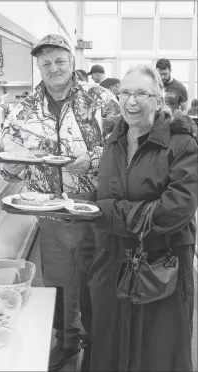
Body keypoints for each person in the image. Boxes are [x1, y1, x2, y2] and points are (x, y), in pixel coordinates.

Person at [0, 34, 121, 371]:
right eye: (46, 62)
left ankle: (98, 346)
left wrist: (93, 159)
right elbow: (9, 157)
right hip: (47, 208)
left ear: (71, 61)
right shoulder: (24, 108)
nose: (53, 68)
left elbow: (121, 147)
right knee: (57, 279)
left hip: (91, 207)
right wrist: (9, 166)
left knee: (95, 278)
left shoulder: (101, 99)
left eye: (59, 60)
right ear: (39, 66)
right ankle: (66, 344)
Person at [88, 64, 197, 371]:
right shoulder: (115, 136)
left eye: (141, 93)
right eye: (124, 92)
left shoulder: (182, 142)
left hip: (161, 261)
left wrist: (109, 214)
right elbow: (109, 190)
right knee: (112, 340)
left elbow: (179, 206)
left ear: (159, 99)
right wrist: (79, 205)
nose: (130, 101)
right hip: (113, 258)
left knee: (156, 345)